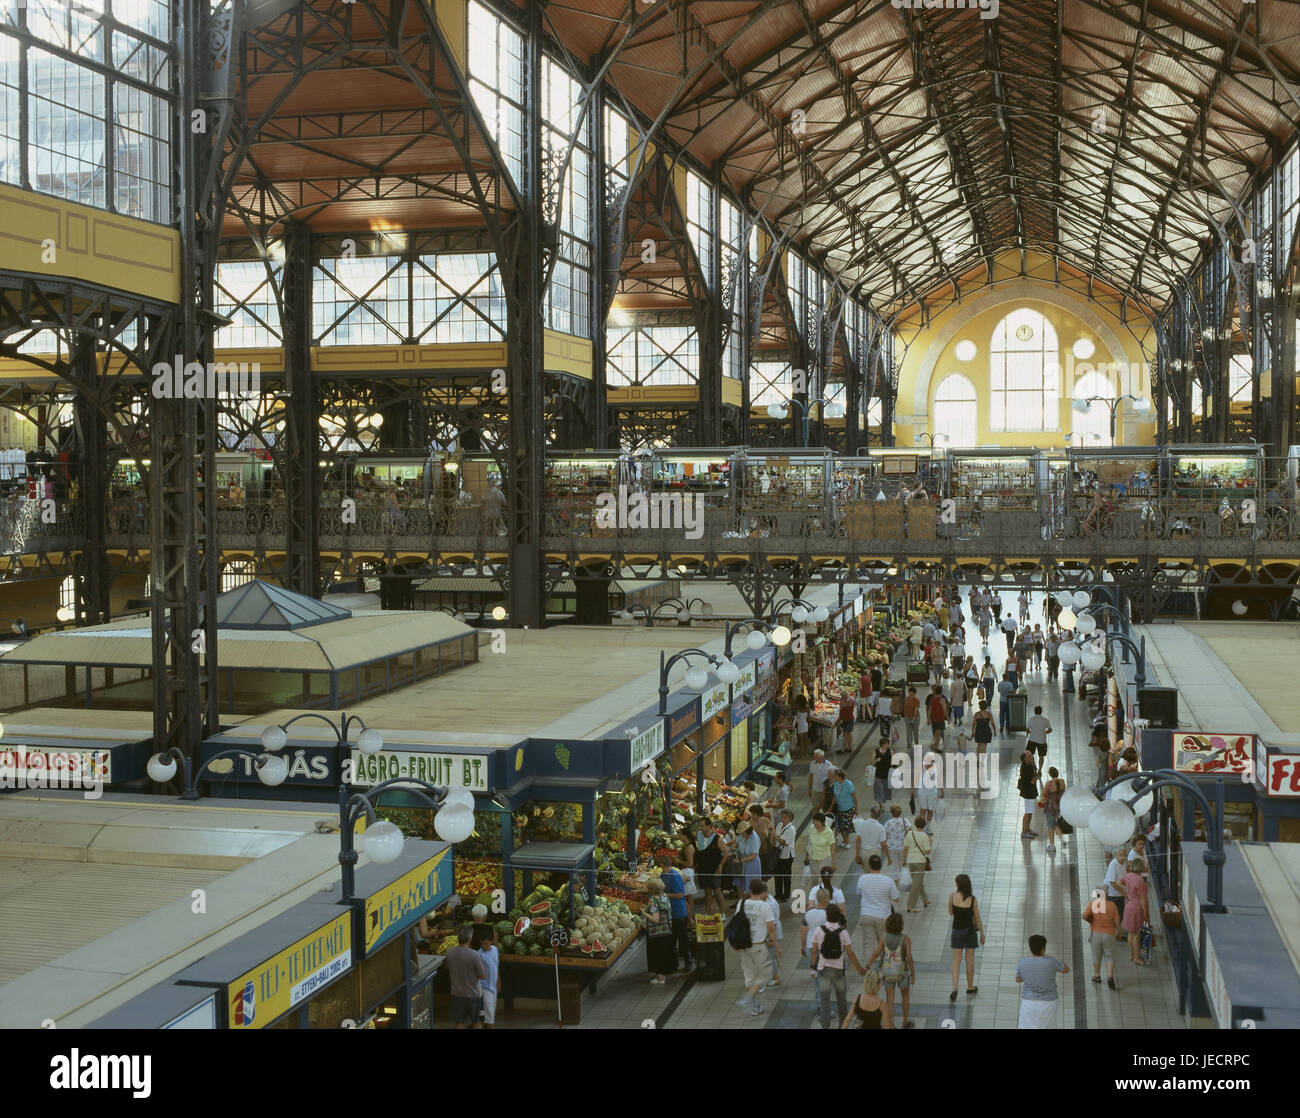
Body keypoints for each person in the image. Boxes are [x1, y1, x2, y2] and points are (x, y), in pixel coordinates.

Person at [809, 903, 865, 1029]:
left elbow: (813, 951)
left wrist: (813, 966)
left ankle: (825, 1026)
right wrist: (859, 968)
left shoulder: (819, 930)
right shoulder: (843, 932)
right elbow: (850, 953)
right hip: (839, 971)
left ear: (827, 915)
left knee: (824, 1001)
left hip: (823, 970)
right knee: (841, 1001)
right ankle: (842, 1025)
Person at [865, 911, 916, 1028]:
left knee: (890, 999)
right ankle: (905, 1021)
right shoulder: (906, 939)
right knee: (905, 996)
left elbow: (876, 953)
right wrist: (913, 974)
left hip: (887, 971)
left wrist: (868, 965)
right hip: (903, 971)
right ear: (901, 925)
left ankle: (891, 1024)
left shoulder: (884, 938)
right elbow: (909, 958)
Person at [735, 879, 778, 1015]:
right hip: (758, 946)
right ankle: (747, 1000)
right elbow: (771, 928)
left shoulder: (741, 903)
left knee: (750, 975)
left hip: (744, 945)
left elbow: (736, 924)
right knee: (765, 975)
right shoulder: (765, 906)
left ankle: (754, 1007)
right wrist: (777, 946)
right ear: (763, 891)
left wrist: (735, 942)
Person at [1015, 934, 1069, 1029]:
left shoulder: (1022, 962)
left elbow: (1018, 979)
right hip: (1049, 1002)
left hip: (1028, 1001)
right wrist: (1047, 957)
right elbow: (1066, 970)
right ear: (1043, 949)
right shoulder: (1051, 962)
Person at [856, 853, 900, 962]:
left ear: (869, 866)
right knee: (885, 943)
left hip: (866, 915)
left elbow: (859, 893)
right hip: (883, 916)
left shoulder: (862, 879)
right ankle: (887, 969)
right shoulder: (888, 881)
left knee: (868, 946)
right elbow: (896, 898)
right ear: (881, 866)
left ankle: (869, 973)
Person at [948, 873, 984, 1001]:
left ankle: (955, 988)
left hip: (956, 931)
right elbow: (977, 918)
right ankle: (969, 986)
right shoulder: (973, 900)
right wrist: (982, 934)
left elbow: (951, 913)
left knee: (956, 961)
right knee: (969, 960)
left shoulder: (952, 896)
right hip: (970, 933)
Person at [446, 926, 487, 1028]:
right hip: (474, 994)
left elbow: (448, 968)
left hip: (457, 994)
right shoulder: (474, 954)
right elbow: (482, 976)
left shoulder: (449, 952)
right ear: (470, 938)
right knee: (476, 1021)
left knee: (459, 1022)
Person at [657, 855, 692, 970]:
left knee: (682, 939)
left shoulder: (675, 876)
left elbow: (680, 895)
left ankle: (688, 962)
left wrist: (664, 895)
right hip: (668, 911)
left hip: (678, 911)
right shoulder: (663, 875)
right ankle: (673, 963)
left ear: (662, 865)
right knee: (671, 940)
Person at [1083, 887, 1122, 989]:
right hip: (1109, 934)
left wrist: (1091, 921)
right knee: (1110, 956)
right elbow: (1117, 920)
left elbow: (1084, 915)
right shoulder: (1112, 905)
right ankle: (1110, 976)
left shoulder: (1093, 904)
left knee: (1096, 956)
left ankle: (1097, 975)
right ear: (1106, 894)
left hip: (1095, 933)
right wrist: (1120, 932)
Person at [643, 877, 674, 984]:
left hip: (656, 932)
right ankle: (663, 974)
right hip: (667, 930)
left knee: (656, 954)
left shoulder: (653, 901)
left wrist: (643, 913)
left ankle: (660, 977)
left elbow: (655, 919)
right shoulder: (664, 896)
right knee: (664, 952)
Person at [694, 818, 727, 914]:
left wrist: (720, 866)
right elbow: (685, 835)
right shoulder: (698, 834)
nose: (701, 828)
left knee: (717, 891)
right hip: (703, 868)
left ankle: (722, 913)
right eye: (700, 826)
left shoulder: (717, 838)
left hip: (714, 869)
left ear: (709, 826)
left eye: (703, 826)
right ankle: (707, 912)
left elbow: (725, 853)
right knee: (707, 892)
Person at [1123, 858, 1151, 965]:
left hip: (1128, 906)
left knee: (1131, 933)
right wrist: (1146, 914)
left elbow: (1117, 882)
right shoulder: (1140, 881)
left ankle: (1132, 955)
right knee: (1136, 934)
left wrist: (1125, 893)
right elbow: (1143, 900)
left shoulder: (1128, 876)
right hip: (1136, 908)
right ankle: (1137, 957)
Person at [903, 815, 933, 911]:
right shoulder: (924, 836)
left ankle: (925, 899)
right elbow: (927, 851)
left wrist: (903, 860)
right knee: (916, 884)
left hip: (910, 861)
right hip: (920, 862)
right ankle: (911, 906)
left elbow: (906, 848)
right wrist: (931, 843)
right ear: (924, 826)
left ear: (915, 824)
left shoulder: (909, 834)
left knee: (917, 882)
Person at [477, 925, 500, 1028]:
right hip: (485, 990)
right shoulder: (479, 954)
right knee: (490, 1020)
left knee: (490, 1016)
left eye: (486, 943)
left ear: (491, 941)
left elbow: (496, 967)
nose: (484, 946)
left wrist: (498, 982)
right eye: (482, 944)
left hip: (493, 988)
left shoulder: (495, 950)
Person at [772, 808, 797, 903]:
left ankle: (786, 895)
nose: (783, 819)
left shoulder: (791, 829)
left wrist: (777, 838)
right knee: (777, 875)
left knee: (786, 876)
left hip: (787, 856)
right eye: (782, 817)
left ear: (790, 818)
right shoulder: (779, 825)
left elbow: (787, 843)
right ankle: (778, 893)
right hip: (777, 854)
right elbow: (775, 836)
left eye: (785, 817)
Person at [731, 819, 762, 894]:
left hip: (751, 864)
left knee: (751, 884)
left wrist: (740, 860)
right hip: (741, 863)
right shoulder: (742, 835)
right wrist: (733, 847)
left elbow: (753, 856)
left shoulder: (754, 838)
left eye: (742, 833)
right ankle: (740, 900)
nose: (741, 834)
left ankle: (752, 901)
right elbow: (736, 841)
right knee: (738, 881)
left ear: (747, 831)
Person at [830, 768, 858, 848]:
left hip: (848, 809)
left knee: (846, 826)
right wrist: (831, 806)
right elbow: (835, 796)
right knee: (841, 826)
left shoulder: (848, 784)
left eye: (835, 776)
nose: (834, 777)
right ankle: (844, 840)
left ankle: (847, 842)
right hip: (840, 808)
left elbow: (855, 796)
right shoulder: (836, 784)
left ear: (840, 776)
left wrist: (857, 809)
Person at [805, 812, 837, 879]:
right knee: (814, 879)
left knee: (822, 879)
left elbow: (832, 847)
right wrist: (806, 856)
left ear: (822, 822)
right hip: (812, 858)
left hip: (824, 859)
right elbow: (808, 843)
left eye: (816, 821)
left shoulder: (829, 832)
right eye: (814, 821)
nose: (814, 823)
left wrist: (833, 862)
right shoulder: (811, 828)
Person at [1104, 848, 1129, 933]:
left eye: (1124, 855)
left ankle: (1117, 931)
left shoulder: (1123, 863)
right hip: (1113, 894)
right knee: (1115, 914)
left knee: (1120, 913)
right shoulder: (1113, 865)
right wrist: (1124, 893)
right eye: (1120, 855)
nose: (1123, 857)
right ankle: (1113, 931)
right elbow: (1112, 882)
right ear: (1116, 856)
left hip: (1120, 893)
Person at [1042, 767, 1065, 854]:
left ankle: (1052, 845)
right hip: (1058, 805)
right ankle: (1062, 840)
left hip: (1050, 806)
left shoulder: (1049, 783)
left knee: (1050, 826)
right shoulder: (1062, 782)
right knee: (1055, 823)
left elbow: (1043, 794)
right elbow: (1063, 792)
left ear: (1050, 775)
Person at [1017, 749, 1039, 840]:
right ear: (1025, 758)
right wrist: (1035, 777)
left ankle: (1027, 829)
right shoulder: (1025, 768)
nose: (1032, 757)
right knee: (1028, 813)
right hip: (1028, 792)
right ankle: (1024, 832)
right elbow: (1033, 780)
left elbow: (1036, 774)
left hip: (1031, 791)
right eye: (1030, 756)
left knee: (1030, 812)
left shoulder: (1029, 764)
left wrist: (1033, 764)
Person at [915, 756, 942, 829]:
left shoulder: (935, 767)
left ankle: (927, 826)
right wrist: (912, 790)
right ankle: (921, 827)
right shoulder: (921, 766)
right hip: (922, 792)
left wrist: (942, 790)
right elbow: (916, 778)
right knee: (923, 810)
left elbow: (938, 779)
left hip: (932, 792)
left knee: (930, 810)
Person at [1026, 705, 1052, 776]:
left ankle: (1034, 767)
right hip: (1042, 740)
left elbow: (1027, 729)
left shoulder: (1030, 719)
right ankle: (1040, 770)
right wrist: (1044, 732)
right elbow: (1050, 729)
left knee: (1031, 755)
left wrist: (1031, 732)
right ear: (1041, 711)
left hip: (1032, 739)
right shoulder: (1045, 720)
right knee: (1041, 756)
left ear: (1034, 711)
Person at [872, 738, 893, 806]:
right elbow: (872, 763)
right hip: (878, 775)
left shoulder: (890, 751)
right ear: (881, 744)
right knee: (880, 791)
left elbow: (894, 762)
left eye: (887, 743)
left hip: (887, 775)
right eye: (885, 744)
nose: (887, 745)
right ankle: (881, 805)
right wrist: (876, 761)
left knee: (885, 791)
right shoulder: (876, 751)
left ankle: (882, 803)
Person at [927, 684, 949, 749]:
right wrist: (948, 718)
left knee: (935, 732)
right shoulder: (942, 700)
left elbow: (929, 710)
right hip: (940, 719)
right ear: (941, 691)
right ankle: (936, 746)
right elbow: (945, 710)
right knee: (938, 733)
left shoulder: (932, 699)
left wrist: (928, 719)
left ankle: (934, 744)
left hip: (933, 718)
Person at [837, 690, 856, 755]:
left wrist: (842, 700)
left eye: (842, 696)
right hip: (847, 719)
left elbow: (842, 705)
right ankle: (849, 747)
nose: (841, 697)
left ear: (844, 696)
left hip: (848, 719)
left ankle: (843, 749)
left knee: (846, 734)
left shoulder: (849, 701)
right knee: (848, 733)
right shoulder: (848, 700)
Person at [998, 671, 1015, 735]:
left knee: (1001, 714)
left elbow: (999, 690)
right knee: (1008, 715)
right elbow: (1011, 692)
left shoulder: (1000, 683)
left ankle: (1001, 726)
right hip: (1008, 701)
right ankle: (1007, 726)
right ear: (1007, 677)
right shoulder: (1010, 684)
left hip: (1001, 701)